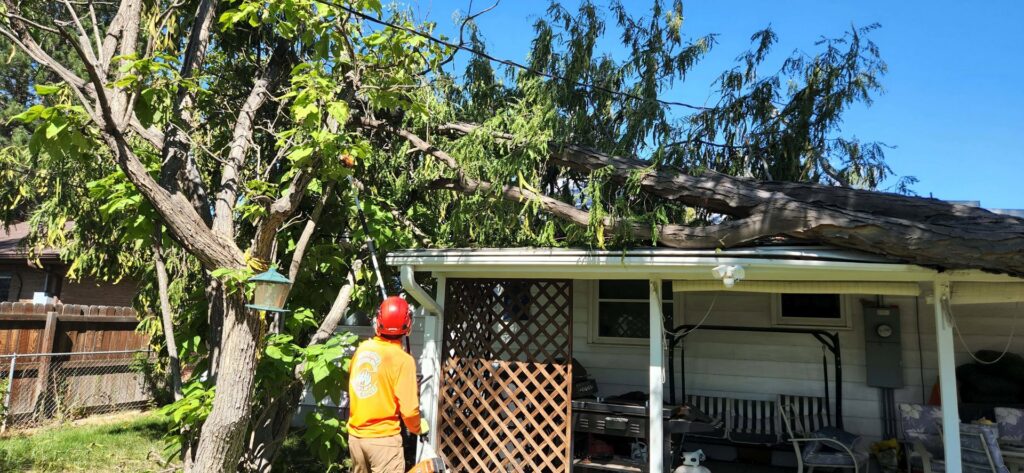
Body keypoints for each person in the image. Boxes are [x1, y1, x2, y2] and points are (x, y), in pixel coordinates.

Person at [348, 295, 428, 473]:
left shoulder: (362, 350)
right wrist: (417, 427)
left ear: (378, 322)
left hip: (356, 438)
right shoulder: (403, 360)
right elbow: (409, 410)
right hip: (384, 441)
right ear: (408, 326)